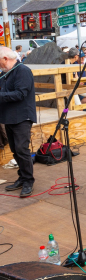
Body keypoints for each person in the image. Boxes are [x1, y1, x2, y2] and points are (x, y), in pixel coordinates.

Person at [0, 47, 36, 197]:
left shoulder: (22, 71)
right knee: (15, 149)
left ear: (5, 59)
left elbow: (21, 94)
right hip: (9, 117)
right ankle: (22, 176)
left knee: (22, 149)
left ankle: (28, 180)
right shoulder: (4, 74)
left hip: (22, 117)